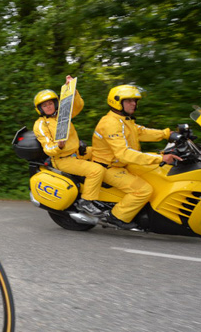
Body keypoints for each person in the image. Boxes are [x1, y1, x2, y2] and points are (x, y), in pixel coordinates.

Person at [91, 85, 181, 229]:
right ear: (117, 102)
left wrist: (167, 134)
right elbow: (123, 153)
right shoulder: (110, 123)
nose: (134, 104)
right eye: (129, 101)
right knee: (143, 190)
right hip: (109, 167)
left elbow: (141, 132)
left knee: (156, 172)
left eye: (134, 101)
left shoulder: (124, 120)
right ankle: (115, 217)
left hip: (122, 164)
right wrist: (160, 158)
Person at [32, 76, 105, 216]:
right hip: (63, 159)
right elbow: (47, 148)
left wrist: (73, 89)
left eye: (50, 103)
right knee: (96, 170)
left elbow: (78, 106)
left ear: (56, 103)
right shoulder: (40, 124)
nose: (48, 107)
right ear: (40, 109)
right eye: (44, 105)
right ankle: (87, 201)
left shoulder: (63, 114)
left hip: (78, 152)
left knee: (104, 152)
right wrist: (58, 146)